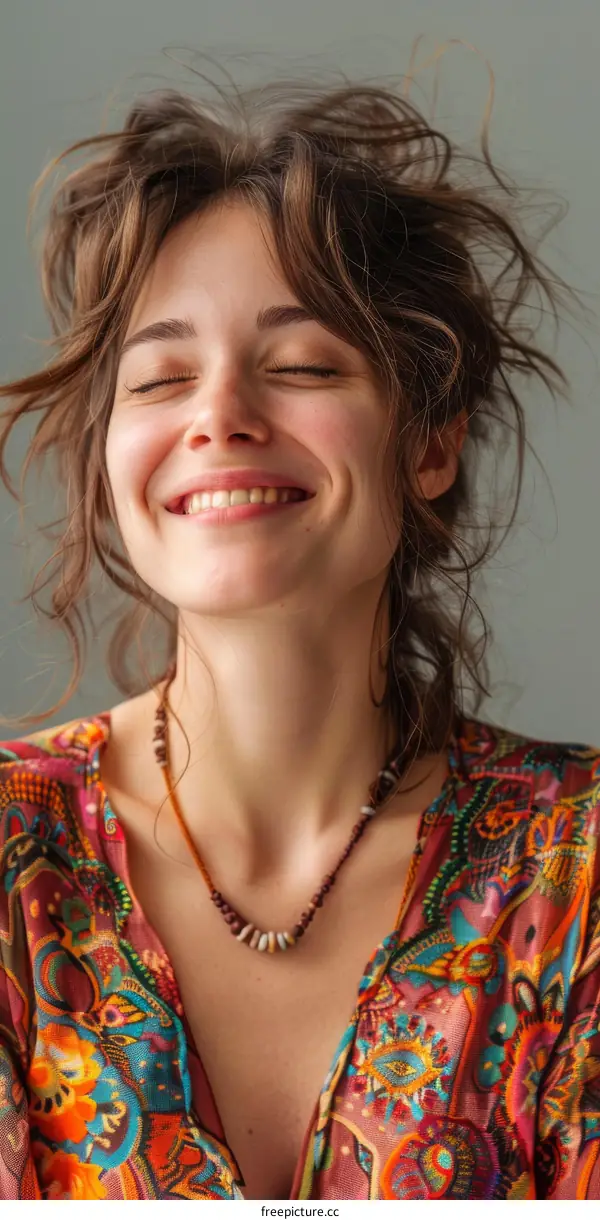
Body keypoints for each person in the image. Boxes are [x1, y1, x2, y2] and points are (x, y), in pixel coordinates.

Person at [0, 67, 599, 1203]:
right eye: (161, 378)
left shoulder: (578, 867)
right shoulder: (10, 860)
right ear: (108, 466)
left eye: (301, 366)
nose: (219, 415)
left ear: (430, 444)